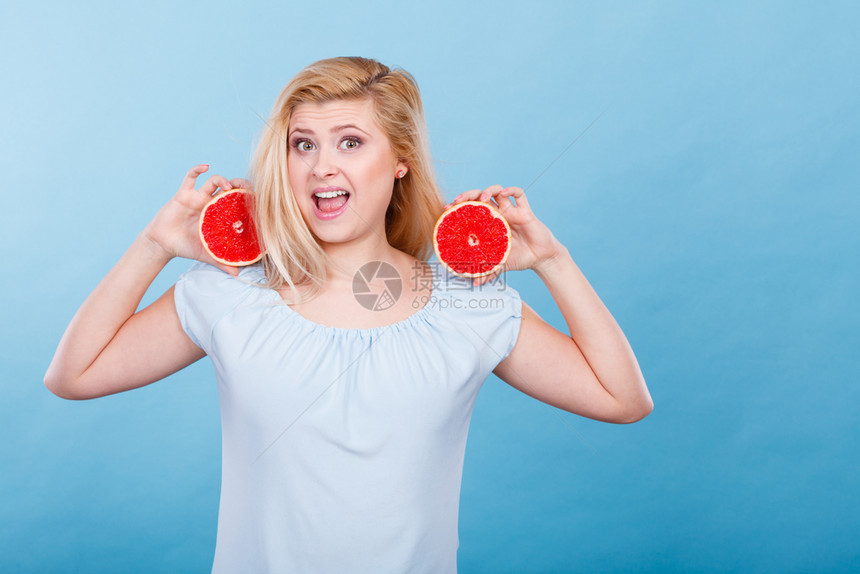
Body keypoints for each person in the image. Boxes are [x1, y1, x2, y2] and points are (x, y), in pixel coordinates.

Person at [45, 57, 652, 573]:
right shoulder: (229, 294)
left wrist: (553, 261)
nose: (321, 166)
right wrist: (154, 246)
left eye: (351, 142)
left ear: (400, 161)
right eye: (302, 144)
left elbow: (622, 399)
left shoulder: (468, 305)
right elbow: (74, 375)